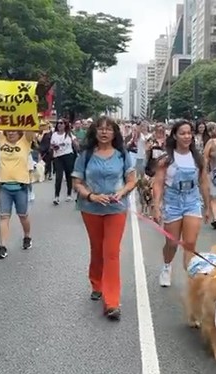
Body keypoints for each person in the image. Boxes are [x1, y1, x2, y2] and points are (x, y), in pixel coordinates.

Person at [72, 116, 136, 321]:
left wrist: (121, 192)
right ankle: (96, 283)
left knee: (111, 252)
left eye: (109, 129)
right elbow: (77, 182)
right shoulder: (86, 155)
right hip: (90, 208)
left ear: (115, 133)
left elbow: (132, 181)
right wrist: (91, 196)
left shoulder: (123, 155)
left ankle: (111, 301)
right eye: (100, 128)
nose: (104, 132)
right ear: (95, 132)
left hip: (116, 208)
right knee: (97, 248)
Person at [153, 119, 211, 287]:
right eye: (182, 133)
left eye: (189, 133)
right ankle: (167, 266)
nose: (186, 136)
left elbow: (204, 182)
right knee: (172, 243)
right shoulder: (166, 159)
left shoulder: (198, 159)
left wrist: (208, 207)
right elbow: (158, 183)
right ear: (175, 136)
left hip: (192, 200)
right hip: (173, 201)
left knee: (190, 242)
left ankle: (191, 275)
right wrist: (156, 207)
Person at [0, 130, 35, 259]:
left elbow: (31, 127)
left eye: (14, 131)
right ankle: (2, 246)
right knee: (4, 216)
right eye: (9, 131)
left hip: (21, 186)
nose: (11, 133)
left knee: (23, 215)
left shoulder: (25, 141)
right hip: (4, 186)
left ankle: (27, 236)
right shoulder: (1, 139)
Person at [51, 120, 78, 205]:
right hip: (58, 157)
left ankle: (69, 194)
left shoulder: (69, 134)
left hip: (68, 156)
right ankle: (56, 197)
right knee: (58, 177)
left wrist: (75, 142)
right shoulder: (54, 135)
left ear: (65, 125)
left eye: (61, 123)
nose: (59, 125)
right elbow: (51, 145)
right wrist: (54, 147)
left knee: (68, 175)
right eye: (58, 123)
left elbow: (77, 144)